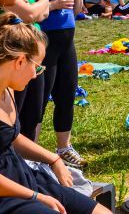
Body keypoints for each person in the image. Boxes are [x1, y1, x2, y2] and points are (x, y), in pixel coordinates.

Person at [0, 14, 110, 214]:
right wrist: (35, 197)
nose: (36, 75)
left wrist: (54, 158)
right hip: (7, 194)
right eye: (38, 67)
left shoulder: (7, 89)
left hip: (23, 178)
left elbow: (11, 137)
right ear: (20, 61)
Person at [18, 0, 87, 169]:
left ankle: (63, 147)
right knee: (36, 102)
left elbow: (77, 12)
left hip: (66, 42)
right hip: (41, 43)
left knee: (67, 96)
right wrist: (54, 4)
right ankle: (28, 152)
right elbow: (26, 12)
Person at [0, 0, 51, 144]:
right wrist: (44, 2)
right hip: (14, 54)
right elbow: (31, 13)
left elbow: (42, 13)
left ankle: (27, 164)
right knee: (13, 115)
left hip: (33, 52)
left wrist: (41, 6)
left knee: (34, 111)